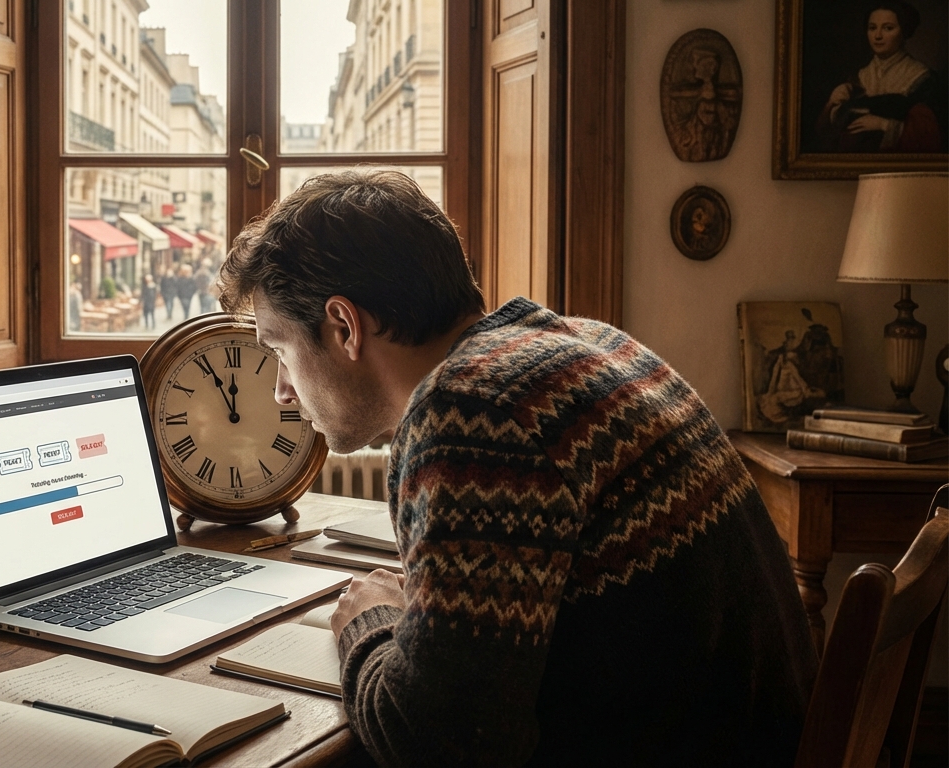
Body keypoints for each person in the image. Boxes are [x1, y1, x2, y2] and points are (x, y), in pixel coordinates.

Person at [216, 170, 818, 767]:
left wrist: (370, 620)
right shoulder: (593, 345)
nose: (281, 391)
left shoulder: (474, 411)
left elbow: (438, 747)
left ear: (345, 327)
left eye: (280, 351)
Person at [815, 2, 945, 153]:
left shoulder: (923, 79)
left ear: (904, 31)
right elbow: (826, 136)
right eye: (872, 28)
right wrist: (831, 103)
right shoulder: (858, 78)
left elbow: (931, 138)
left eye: (888, 28)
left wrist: (884, 125)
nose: (877, 36)